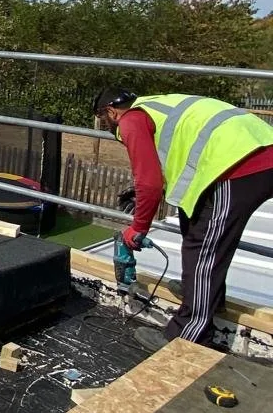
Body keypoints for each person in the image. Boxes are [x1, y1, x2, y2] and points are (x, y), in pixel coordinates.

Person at [94, 87, 273, 345]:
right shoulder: (152, 105)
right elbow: (175, 155)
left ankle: (187, 335)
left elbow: (149, 182)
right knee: (197, 229)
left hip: (238, 165)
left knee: (202, 248)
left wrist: (138, 227)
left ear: (111, 111)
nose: (106, 125)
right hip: (248, 151)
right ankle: (200, 295)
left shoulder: (130, 120)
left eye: (104, 119)